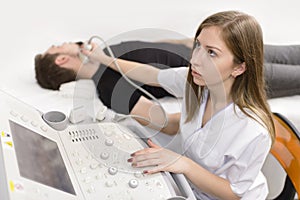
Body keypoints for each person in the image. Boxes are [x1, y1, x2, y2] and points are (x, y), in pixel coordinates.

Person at [76, 10, 276, 199]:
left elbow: (234, 193)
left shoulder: (253, 129)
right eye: (198, 45)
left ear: (239, 68)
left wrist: (182, 164)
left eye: (212, 53)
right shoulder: (195, 85)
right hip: (188, 185)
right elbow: (151, 75)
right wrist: (103, 58)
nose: (195, 60)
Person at [35, 38, 300, 134]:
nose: (64, 42)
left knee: (294, 52)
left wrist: (189, 43)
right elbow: (160, 120)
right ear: (61, 59)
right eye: (57, 46)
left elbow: (156, 45)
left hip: (227, 47)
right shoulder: (109, 90)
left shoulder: (109, 48)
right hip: (230, 74)